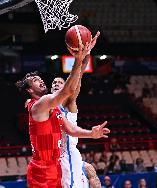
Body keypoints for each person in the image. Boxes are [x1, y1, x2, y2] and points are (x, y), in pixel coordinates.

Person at [16, 37, 110, 188]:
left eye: (40, 78)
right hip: (42, 169)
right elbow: (68, 89)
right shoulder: (40, 104)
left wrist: (91, 134)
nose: (40, 80)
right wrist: (79, 59)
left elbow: (71, 129)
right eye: (35, 80)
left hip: (56, 166)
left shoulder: (56, 110)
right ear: (29, 90)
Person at [50, 31, 101, 188]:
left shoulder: (68, 102)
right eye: (53, 83)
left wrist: (85, 54)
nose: (56, 84)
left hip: (67, 152)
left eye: (60, 82)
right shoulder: (47, 105)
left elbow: (77, 77)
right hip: (52, 157)